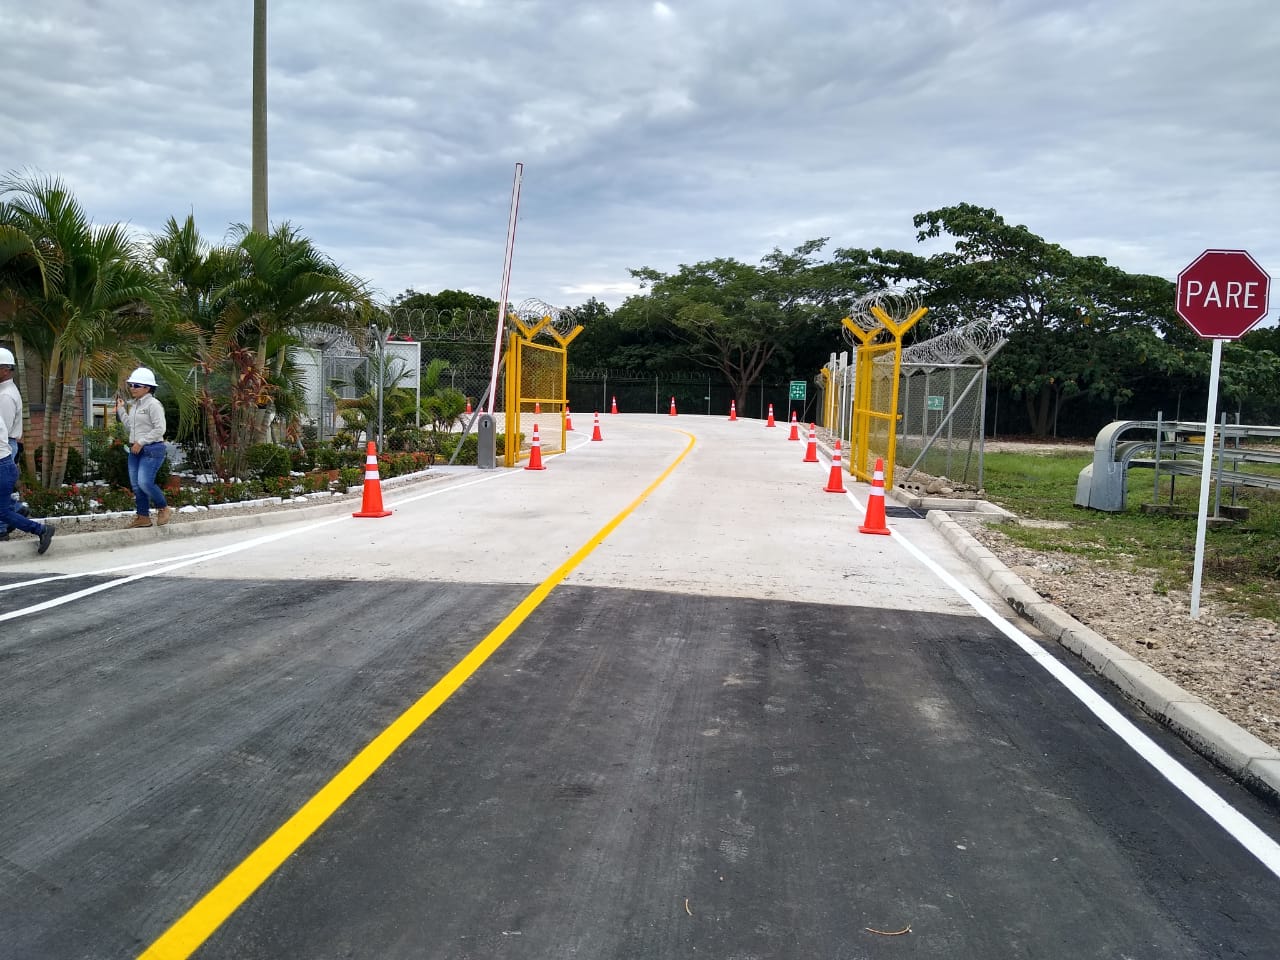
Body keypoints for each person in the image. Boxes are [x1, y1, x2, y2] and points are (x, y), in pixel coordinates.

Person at [0, 346, 54, 554]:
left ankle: (26, 527)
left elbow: (3, 432)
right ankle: (17, 511)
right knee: (3, 506)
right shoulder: (5, 392)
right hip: (5, 452)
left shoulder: (6, 396)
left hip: (4, 452)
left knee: (2, 510)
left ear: (5, 369)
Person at [115, 366, 172, 529]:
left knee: (145, 483)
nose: (132, 388)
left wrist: (141, 442)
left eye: (136, 385)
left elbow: (160, 429)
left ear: (147, 388)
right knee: (136, 486)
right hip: (135, 450)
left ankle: (164, 508)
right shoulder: (135, 405)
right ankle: (143, 517)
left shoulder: (153, 405)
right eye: (131, 385)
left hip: (152, 450)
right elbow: (130, 427)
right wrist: (121, 410)